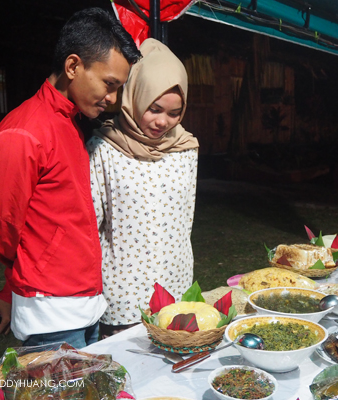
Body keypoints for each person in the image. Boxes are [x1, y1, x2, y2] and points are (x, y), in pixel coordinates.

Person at [0, 8, 141, 348]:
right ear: (73, 66)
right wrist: (30, 278)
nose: (112, 99)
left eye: (118, 88)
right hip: (52, 314)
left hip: (86, 304)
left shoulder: (69, 121)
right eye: (109, 85)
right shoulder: (23, 133)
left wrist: (10, 287)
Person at [87, 39, 199, 338]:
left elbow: (185, 218)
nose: (163, 121)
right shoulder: (104, 149)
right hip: (123, 296)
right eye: (155, 108)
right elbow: (90, 226)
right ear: (135, 95)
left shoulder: (186, 149)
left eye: (175, 113)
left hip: (176, 286)